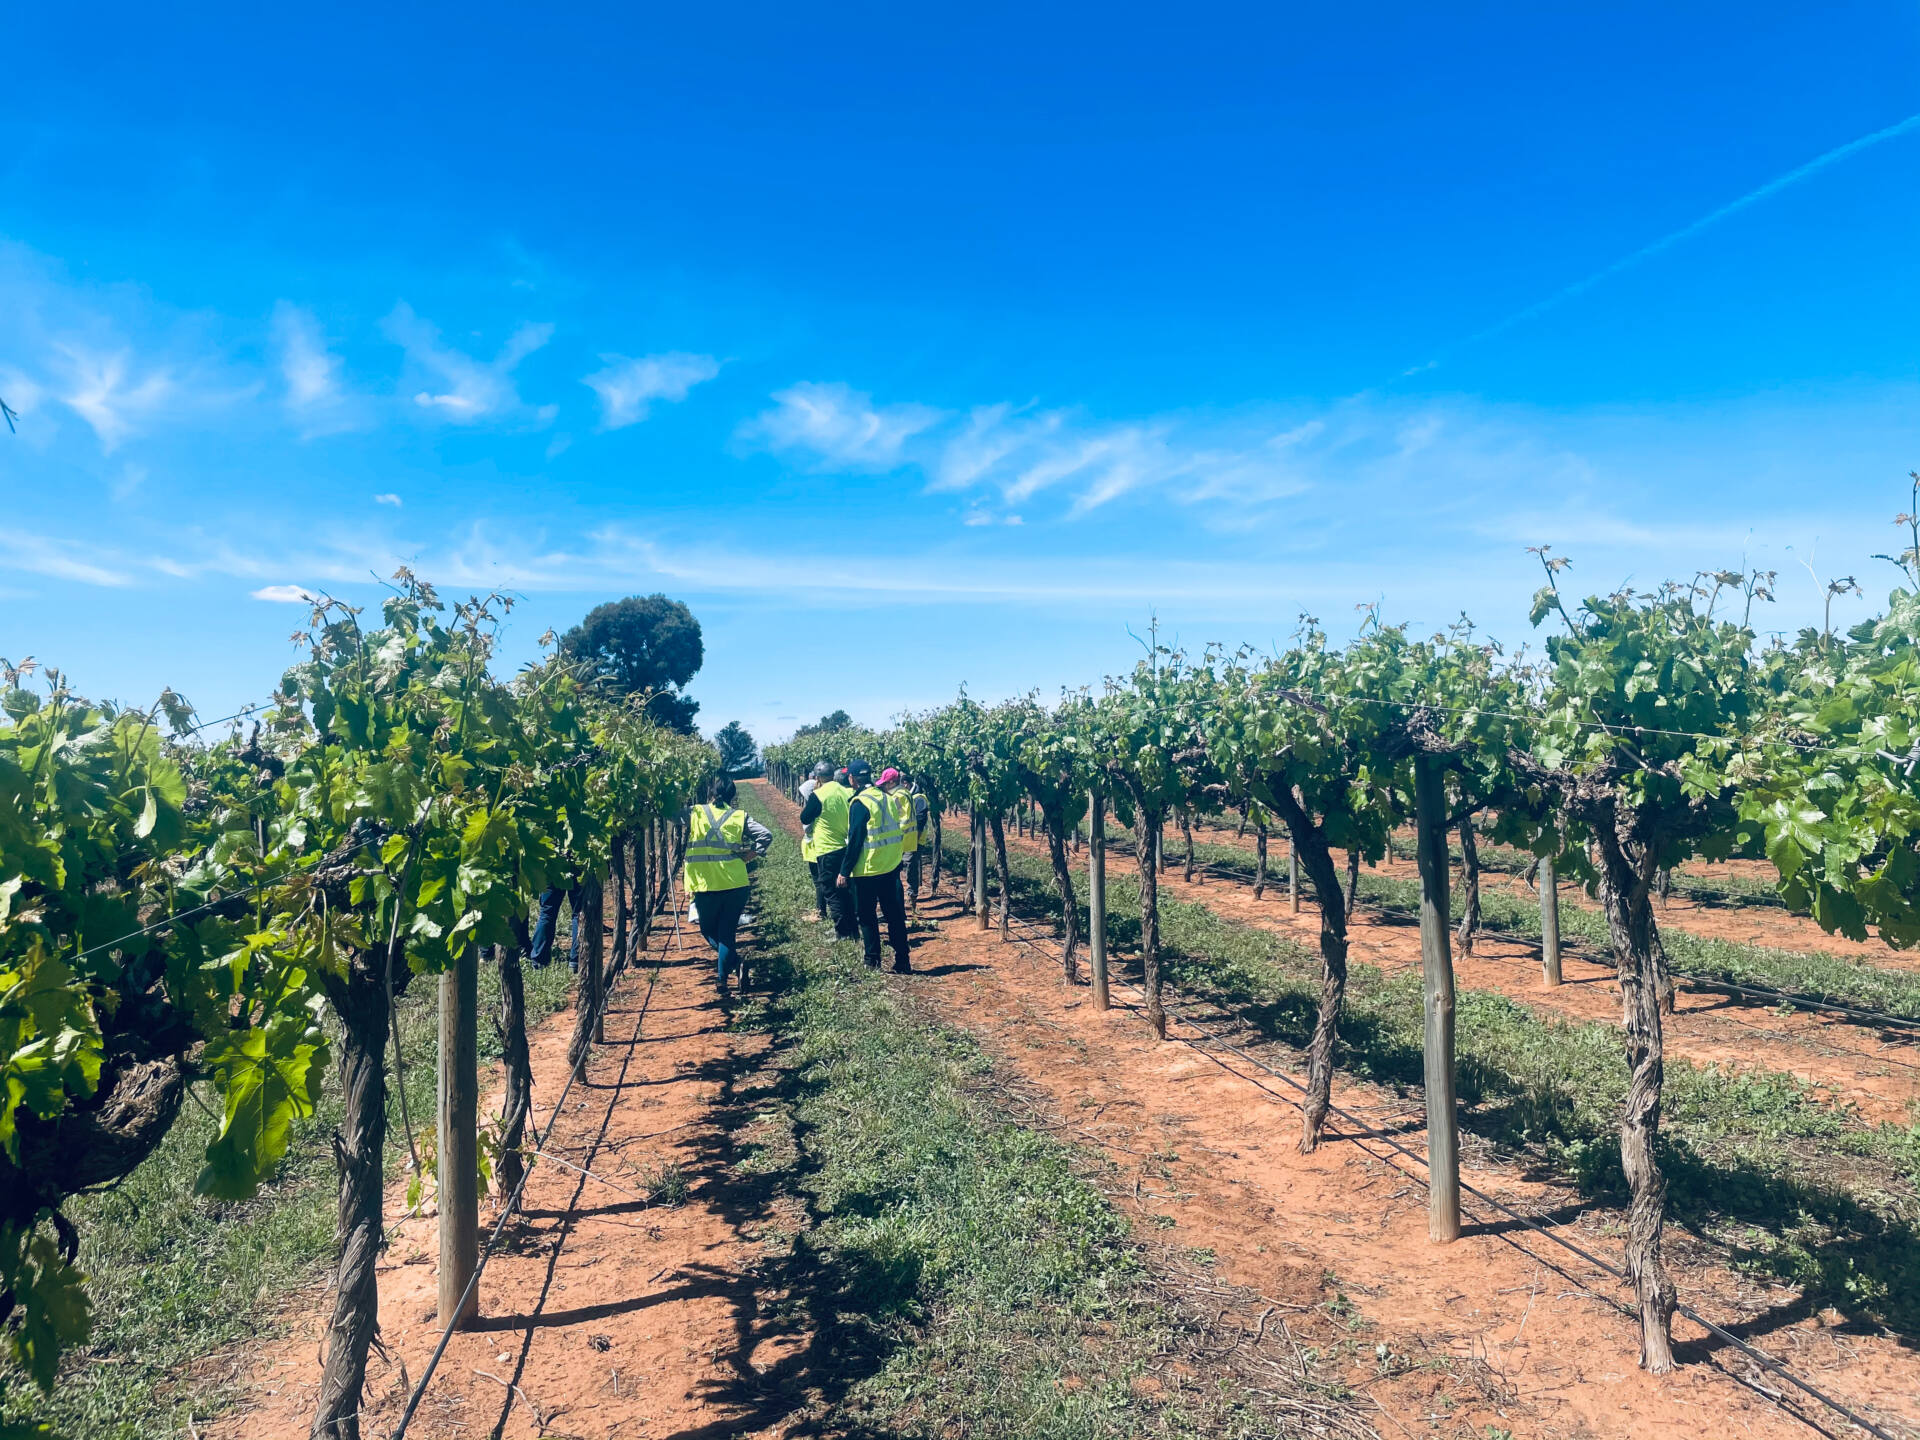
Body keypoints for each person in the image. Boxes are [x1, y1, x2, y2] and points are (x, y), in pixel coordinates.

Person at [683, 774, 773, 994]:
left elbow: (671, 813)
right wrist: (749, 856)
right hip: (736, 883)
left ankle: (729, 972)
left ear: (710, 792)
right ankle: (727, 974)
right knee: (727, 931)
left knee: (708, 930)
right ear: (732, 796)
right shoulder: (739, 816)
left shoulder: (695, 812)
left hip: (705, 884)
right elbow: (766, 835)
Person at [837, 759, 910, 972]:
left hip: (868, 869)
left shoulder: (860, 802)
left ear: (852, 779)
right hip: (891, 866)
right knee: (894, 916)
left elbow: (856, 839)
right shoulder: (887, 798)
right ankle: (903, 960)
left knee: (867, 916)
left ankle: (872, 961)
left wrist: (844, 871)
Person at [800, 765, 856, 937]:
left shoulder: (819, 795)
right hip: (846, 846)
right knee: (846, 890)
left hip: (827, 848)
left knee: (830, 891)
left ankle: (841, 931)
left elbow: (805, 817)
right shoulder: (846, 791)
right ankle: (853, 930)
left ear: (817, 778)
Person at [798, 760, 832, 922]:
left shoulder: (815, 799)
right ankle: (822, 909)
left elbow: (806, 822)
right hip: (821, 843)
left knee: (819, 880)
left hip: (816, 844)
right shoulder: (828, 797)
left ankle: (821, 911)